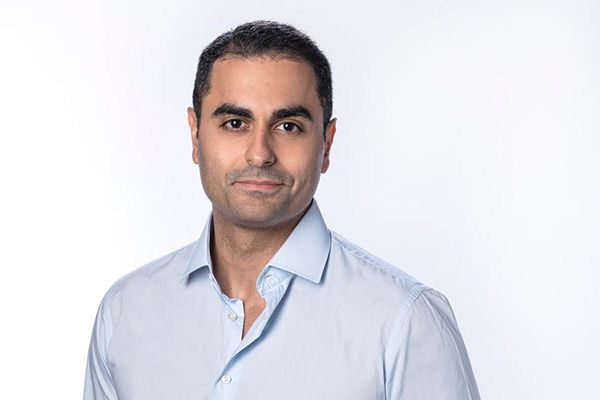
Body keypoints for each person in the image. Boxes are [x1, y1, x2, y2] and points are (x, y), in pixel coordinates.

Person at [84, 20, 480, 400]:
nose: (260, 154)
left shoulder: (405, 321)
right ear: (195, 134)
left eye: (288, 126)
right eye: (235, 123)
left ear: (326, 143)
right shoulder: (126, 311)